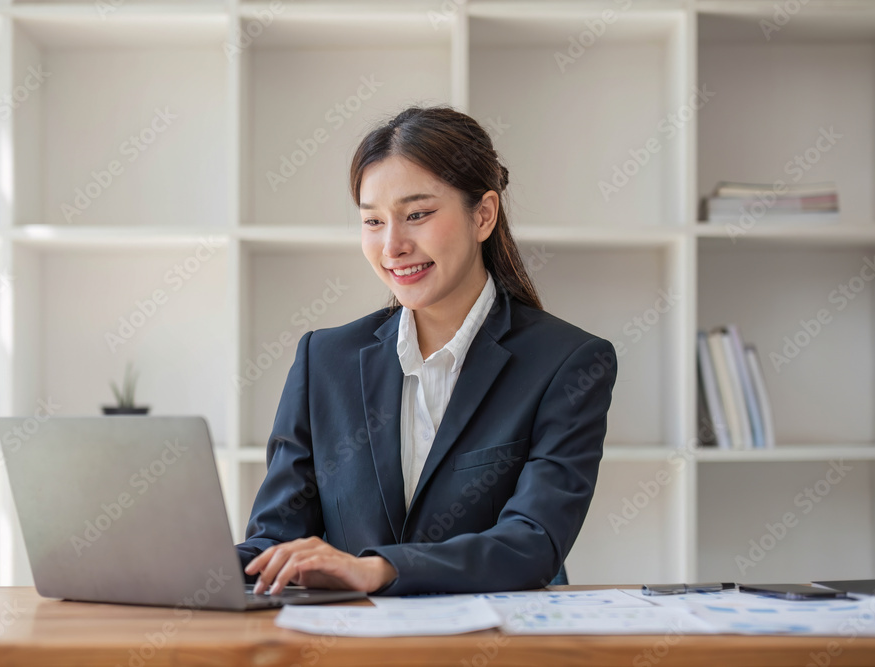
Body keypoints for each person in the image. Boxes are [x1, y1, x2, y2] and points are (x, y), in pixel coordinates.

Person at [235, 105, 618, 596]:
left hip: (494, 645)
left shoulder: (568, 362)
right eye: (373, 222)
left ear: (483, 215)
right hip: (353, 647)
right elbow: (275, 540)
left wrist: (379, 569)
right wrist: (186, 570)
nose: (392, 246)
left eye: (417, 215)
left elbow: (533, 543)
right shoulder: (324, 360)